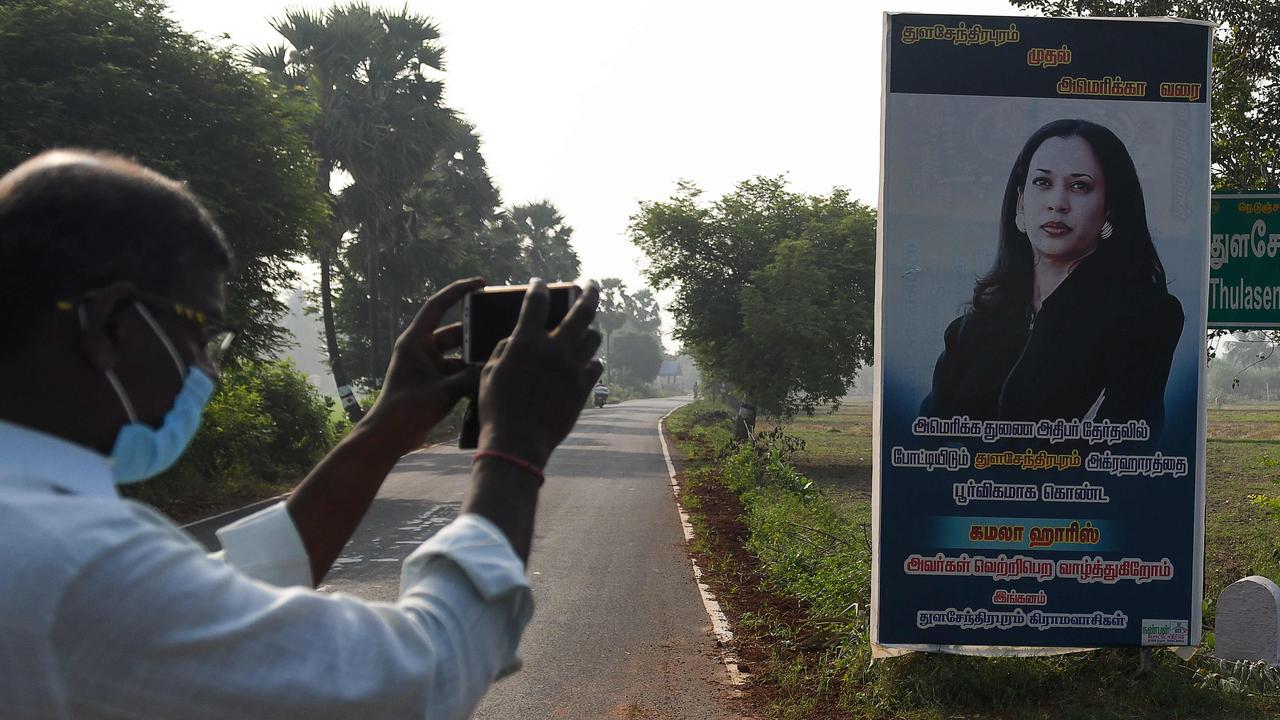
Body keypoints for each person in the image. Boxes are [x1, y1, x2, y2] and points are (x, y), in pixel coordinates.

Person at [0, 149, 603, 719]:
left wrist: (385, 429)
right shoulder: (79, 564)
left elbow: (215, 603)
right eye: (199, 334)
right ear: (109, 324)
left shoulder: (42, 540)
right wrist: (515, 446)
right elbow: (422, 676)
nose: (207, 366)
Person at [921, 118, 1183, 437]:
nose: (1057, 203)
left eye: (1079, 186)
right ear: (1020, 200)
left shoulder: (1145, 317)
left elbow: (1126, 449)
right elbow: (928, 435)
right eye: (1043, 183)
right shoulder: (971, 328)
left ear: (1109, 208)